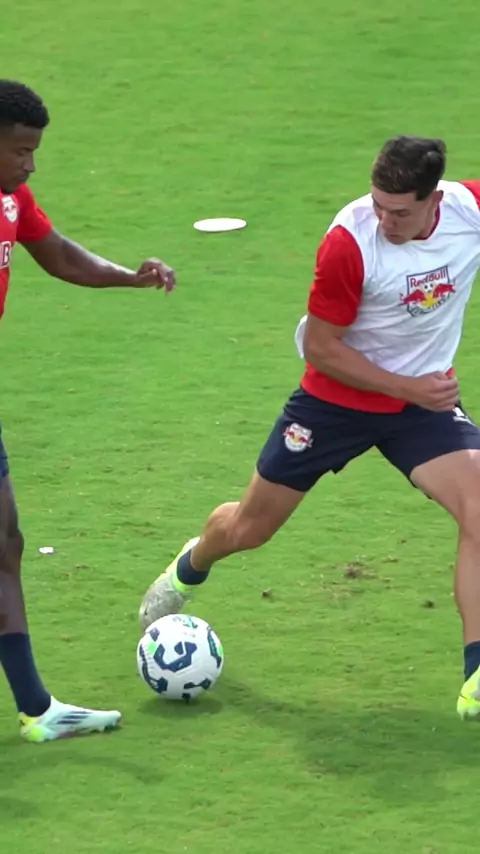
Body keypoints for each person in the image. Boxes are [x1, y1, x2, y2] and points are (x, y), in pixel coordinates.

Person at [140, 134, 480, 721]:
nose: (385, 220)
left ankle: (476, 672)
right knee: (249, 529)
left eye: (400, 212)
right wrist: (408, 388)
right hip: (335, 403)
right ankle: (191, 565)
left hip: (420, 408)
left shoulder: (468, 211)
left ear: (435, 200)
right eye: (378, 205)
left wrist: (415, 394)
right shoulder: (350, 243)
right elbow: (322, 348)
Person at [0, 79, 176, 742]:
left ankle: (36, 708)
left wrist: (129, 276)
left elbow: (59, 255)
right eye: (20, 150)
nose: (30, 164)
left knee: (6, 544)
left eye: (34, 151)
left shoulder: (11, 199)